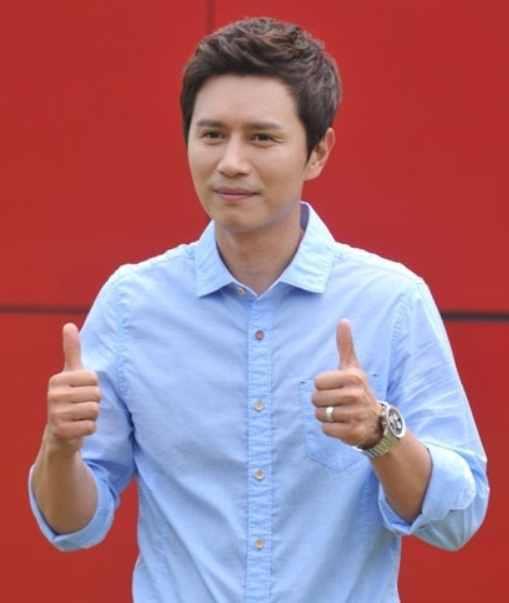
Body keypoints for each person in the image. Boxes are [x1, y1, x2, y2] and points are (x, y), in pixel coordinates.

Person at [29, 16, 489, 603]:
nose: (231, 162)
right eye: (212, 134)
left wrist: (381, 435)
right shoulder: (130, 304)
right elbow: (72, 527)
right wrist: (60, 447)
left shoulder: (389, 301)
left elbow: (457, 520)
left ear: (317, 152)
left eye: (262, 138)